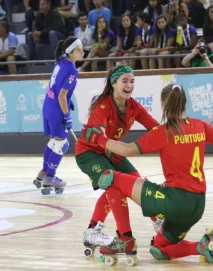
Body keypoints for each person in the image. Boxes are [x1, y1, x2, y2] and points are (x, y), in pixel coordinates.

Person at [83, 84, 213, 263]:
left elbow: (127, 150)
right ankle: (200, 247)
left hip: (176, 200)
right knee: (158, 249)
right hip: (198, 205)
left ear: (163, 104)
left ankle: (125, 240)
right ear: (184, 103)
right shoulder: (199, 125)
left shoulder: (164, 132)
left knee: (112, 178)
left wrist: (99, 138)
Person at [74, 64, 160, 249]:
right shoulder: (103, 105)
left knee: (138, 183)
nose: (129, 85)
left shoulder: (133, 106)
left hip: (112, 151)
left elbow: (155, 128)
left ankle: (159, 224)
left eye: (132, 81)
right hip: (89, 153)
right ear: (114, 84)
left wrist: (177, 135)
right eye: (125, 81)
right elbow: (100, 137)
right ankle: (118, 236)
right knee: (113, 184)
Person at [33, 36, 84, 195]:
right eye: (78, 50)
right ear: (70, 53)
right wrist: (67, 115)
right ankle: (50, 177)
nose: (83, 52)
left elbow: (58, 90)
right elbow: (62, 95)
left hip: (48, 106)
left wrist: (68, 102)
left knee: (54, 141)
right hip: (57, 110)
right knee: (62, 144)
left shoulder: (61, 60)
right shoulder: (72, 71)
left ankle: (43, 172)